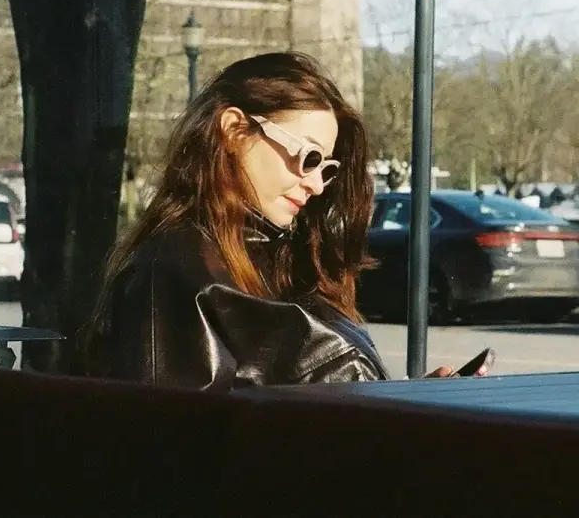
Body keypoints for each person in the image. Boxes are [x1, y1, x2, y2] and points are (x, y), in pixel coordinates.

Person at [80, 51, 485, 389]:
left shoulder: (284, 260)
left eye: (326, 168)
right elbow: (183, 456)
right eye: (308, 157)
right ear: (235, 131)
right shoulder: (173, 276)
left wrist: (405, 402)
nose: (316, 184)